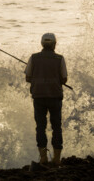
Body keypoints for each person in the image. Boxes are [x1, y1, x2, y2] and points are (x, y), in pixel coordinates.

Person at [24, 33, 68, 166]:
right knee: (57, 127)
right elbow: (64, 78)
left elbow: (27, 77)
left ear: (42, 44)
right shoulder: (59, 59)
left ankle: (43, 158)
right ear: (55, 44)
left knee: (40, 127)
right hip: (55, 97)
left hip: (39, 97)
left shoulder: (34, 58)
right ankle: (57, 159)